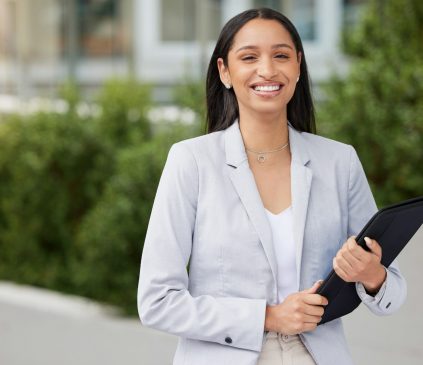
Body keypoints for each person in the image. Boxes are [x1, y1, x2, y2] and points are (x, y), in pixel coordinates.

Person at [137, 8, 407, 365]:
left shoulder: (338, 161)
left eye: (281, 55)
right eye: (249, 57)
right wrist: (268, 316)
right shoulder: (192, 161)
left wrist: (372, 274)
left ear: (298, 65)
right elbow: (157, 302)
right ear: (225, 71)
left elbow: (392, 292)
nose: (267, 70)